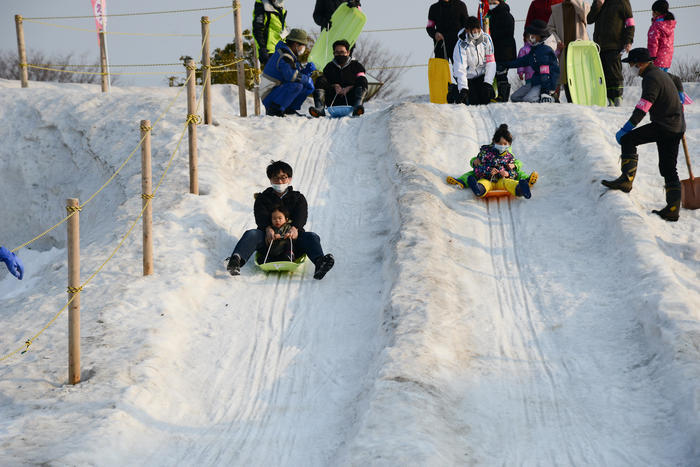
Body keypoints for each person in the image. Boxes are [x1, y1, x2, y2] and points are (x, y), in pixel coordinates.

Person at [602, 48, 686, 222]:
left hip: (665, 126)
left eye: (631, 64)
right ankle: (672, 209)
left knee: (628, 139)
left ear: (640, 64)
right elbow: (676, 79)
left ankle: (626, 179)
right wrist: (679, 94)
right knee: (668, 167)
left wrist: (628, 127)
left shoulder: (651, 78)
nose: (630, 67)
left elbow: (644, 106)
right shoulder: (659, 73)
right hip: (676, 126)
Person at [227, 161, 335, 278]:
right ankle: (235, 260)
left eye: (283, 178)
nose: (279, 181)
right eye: (275, 178)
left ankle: (320, 263)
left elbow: (301, 215)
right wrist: (267, 228)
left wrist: (295, 228)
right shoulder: (263, 198)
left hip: (292, 242)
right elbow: (260, 216)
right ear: (270, 179)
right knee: (252, 234)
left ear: (290, 178)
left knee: (311, 236)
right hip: (269, 241)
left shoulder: (298, 198)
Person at [446, 124, 538, 198]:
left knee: (509, 183)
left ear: (509, 144)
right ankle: (477, 189)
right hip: (487, 179)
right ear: (494, 141)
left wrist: (508, 174)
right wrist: (488, 171)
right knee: (483, 184)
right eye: (499, 143)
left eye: (505, 144)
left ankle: (521, 190)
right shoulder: (485, 153)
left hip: (502, 180)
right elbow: (477, 169)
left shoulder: (509, 156)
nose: (502, 146)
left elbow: (514, 172)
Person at [498, 20, 560, 103]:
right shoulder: (536, 49)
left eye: (532, 34)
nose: (530, 37)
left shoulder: (545, 50)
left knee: (528, 99)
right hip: (536, 81)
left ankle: (550, 98)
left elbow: (545, 72)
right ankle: (537, 96)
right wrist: (505, 65)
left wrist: (545, 91)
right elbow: (523, 61)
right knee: (515, 97)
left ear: (540, 34)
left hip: (545, 83)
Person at [587, 0, 635, 106]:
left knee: (614, 74)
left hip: (615, 45)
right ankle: (609, 99)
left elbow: (630, 23)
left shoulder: (622, 2)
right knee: (603, 75)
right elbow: (589, 19)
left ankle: (618, 98)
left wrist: (628, 41)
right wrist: (598, 4)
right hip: (599, 46)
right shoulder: (598, 2)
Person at [260, 29, 316, 117]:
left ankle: (289, 109)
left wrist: (306, 72)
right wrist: (306, 78)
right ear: (296, 44)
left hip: (277, 89)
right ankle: (274, 109)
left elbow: (294, 73)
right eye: (303, 45)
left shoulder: (290, 55)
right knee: (297, 85)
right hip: (269, 94)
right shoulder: (284, 56)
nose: (304, 48)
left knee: (306, 86)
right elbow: (291, 76)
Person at [309, 39, 368, 117]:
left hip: (351, 99)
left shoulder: (356, 66)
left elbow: (362, 81)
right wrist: (334, 86)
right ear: (334, 53)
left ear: (348, 52)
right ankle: (319, 109)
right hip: (333, 99)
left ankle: (357, 107)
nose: (340, 55)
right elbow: (324, 83)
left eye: (342, 52)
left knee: (362, 79)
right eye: (337, 52)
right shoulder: (329, 67)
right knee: (320, 79)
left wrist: (349, 87)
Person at [547, 0, 590, 102]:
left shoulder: (583, 5)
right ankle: (571, 101)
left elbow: (584, 14)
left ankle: (582, 101)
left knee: (580, 76)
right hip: (564, 49)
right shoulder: (556, 8)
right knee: (566, 76)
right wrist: (557, 41)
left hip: (579, 50)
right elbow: (550, 27)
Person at [450, 16, 496, 106]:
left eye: (478, 30)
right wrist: (463, 88)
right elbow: (460, 68)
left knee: (485, 99)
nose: (476, 33)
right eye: (473, 31)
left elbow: (491, 62)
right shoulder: (461, 45)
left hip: (480, 75)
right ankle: (454, 90)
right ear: (467, 30)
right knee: (473, 102)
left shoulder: (486, 39)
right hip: (467, 77)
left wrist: (488, 83)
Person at [488, 0, 517, 102]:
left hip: (505, 50)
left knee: (501, 73)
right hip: (496, 49)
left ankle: (503, 96)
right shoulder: (492, 15)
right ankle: (497, 94)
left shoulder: (506, 15)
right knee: (496, 73)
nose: (491, 4)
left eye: (494, 2)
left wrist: (493, 37)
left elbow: (507, 33)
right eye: (490, 2)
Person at [252, 0, 288, 67]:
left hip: (281, 50)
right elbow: (257, 30)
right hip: (269, 51)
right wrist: (262, 48)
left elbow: (281, 29)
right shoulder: (262, 6)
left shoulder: (279, 7)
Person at [647, 0, 676, 72]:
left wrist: (651, 57)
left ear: (656, 12)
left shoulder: (656, 26)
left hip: (657, 59)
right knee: (663, 80)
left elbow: (653, 43)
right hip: (667, 59)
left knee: (655, 80)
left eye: (653, 11)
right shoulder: (669, 24)